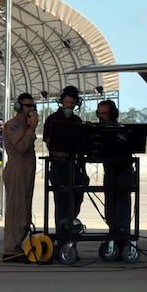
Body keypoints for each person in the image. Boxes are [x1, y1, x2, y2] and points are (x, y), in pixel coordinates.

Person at [43, 85, 88, 239]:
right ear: (62, 102)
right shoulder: (52, 119)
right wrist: (56, 152)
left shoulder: (77, 120)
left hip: (75, 168)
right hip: (60, 168)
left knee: (76, 202)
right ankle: (62, 239)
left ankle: (70, 233)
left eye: (72, 103)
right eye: (67, 102)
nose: (69, 106)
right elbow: (48, 141)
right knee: (62, 204)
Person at [95, 99, 135, 253]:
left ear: (113, 114)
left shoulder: (122, 130)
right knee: (110, 210)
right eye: (100, 113)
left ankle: (123, 240)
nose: (101, 116)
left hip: (123, 172)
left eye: (105, 113)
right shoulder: (97, 130)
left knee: (122, 209)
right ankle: (114, 236)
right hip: (109, 172)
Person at [2, 94, 38, 260]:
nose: (32, 109)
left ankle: (16, 245)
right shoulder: (14, 125)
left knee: (24, 209)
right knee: (17, 209)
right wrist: (31, 129)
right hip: (17, 169)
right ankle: (11, 248)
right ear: (19, 107)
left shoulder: (25, 124)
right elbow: (21, 147)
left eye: (33, 106)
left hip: (26, 170)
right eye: (28, 106)